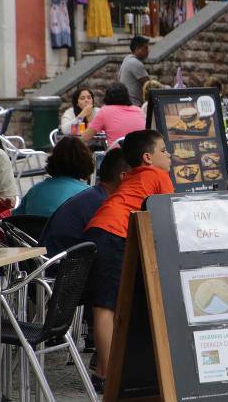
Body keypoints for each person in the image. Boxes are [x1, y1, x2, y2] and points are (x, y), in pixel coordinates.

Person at [84, 130, 173, 392]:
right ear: (148, 157)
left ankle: (108, 369)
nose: (169, 155)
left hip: (102, 229)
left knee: (112, 304)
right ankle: (106, 374)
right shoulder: (158, 175)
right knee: (106, 307)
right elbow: (169, 212)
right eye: (164, 151)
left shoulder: (136, 175)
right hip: (114, 233)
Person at [40, 148, 131, 258]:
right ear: (124, 177)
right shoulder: (105, 207)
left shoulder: (94, 196)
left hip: (50, 265)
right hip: (62, 271)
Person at [13, 136, 94, 217]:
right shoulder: (87, 194)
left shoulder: (34, 191)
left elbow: (16, 218)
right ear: (86, 163)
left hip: (33, 229)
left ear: (53, 160)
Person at [82, 83, 145, 148]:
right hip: (139, 154)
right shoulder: (139, 110)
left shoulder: (104, 111)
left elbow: (85, 137)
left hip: (117, 155)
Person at [118, 35, 151, 106]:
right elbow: (150, 85)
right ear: (137, 48)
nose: (148, 51)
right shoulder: (135, 63)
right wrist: (167, 88)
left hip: (126, 103)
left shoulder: (127, 59)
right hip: (133, 104)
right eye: (145, 48)